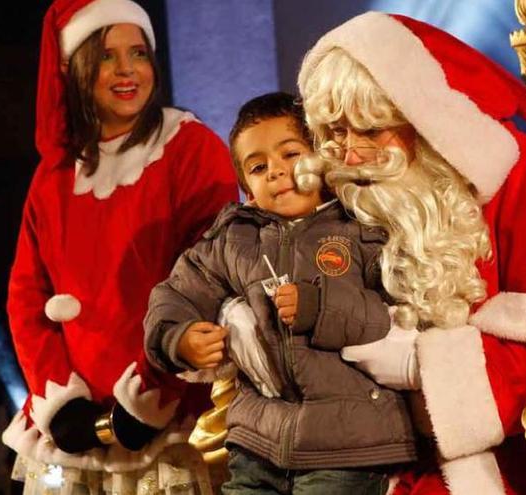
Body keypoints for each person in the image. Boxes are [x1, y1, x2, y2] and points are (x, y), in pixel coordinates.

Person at [287, 12, 526, 494]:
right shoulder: (346, 196)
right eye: (334, 133)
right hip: (376, 450)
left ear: (426, 119)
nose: (348, 156)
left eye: (370, 131)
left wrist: (424, 368)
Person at [2, 0, 238, 492]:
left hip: (168, 424)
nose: (127, 70)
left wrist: (154, 396)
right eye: (108, 56)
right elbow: (26, 296)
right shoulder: (54, 177)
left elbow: (210, 279)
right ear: (76, 67)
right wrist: (61, 402)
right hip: (76, 434)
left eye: (139, 53)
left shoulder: (190, 149)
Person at [143, 92, 417, 495]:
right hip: (257, 444)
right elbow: (177, 293)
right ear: (246, 186)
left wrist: (319, 307)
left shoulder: (361, 228)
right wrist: (176, 339)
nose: (275, 171)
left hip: (347, 448)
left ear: (321, 155)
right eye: (258, 166)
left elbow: (389, 315)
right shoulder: (233, 238)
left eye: (290, 154)